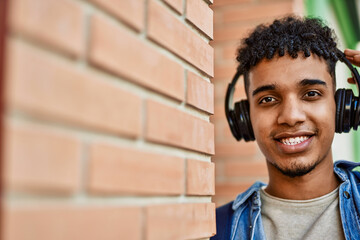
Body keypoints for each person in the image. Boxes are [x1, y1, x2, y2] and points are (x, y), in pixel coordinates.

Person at [211, 16, 360, 240]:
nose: (291, 117)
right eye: (268, 99)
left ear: (342, 107)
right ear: (244, 118)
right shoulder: (217, 230)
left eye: (311, 94)